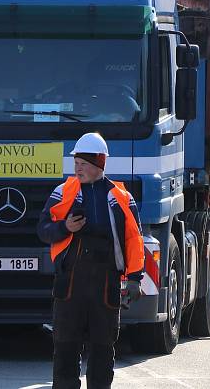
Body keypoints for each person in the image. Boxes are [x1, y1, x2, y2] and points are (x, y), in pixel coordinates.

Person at [37, 132, 145, 389]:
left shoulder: (121, 197)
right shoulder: (63, 192)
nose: (77, 168)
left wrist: (134, 279)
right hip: (70, 282)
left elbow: (133, 240)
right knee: (64, 345)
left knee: (103, 347)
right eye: (75, 163)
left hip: (105, 283)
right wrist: (65, 228)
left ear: (99, 164)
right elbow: (43, 230)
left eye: (83, 164)